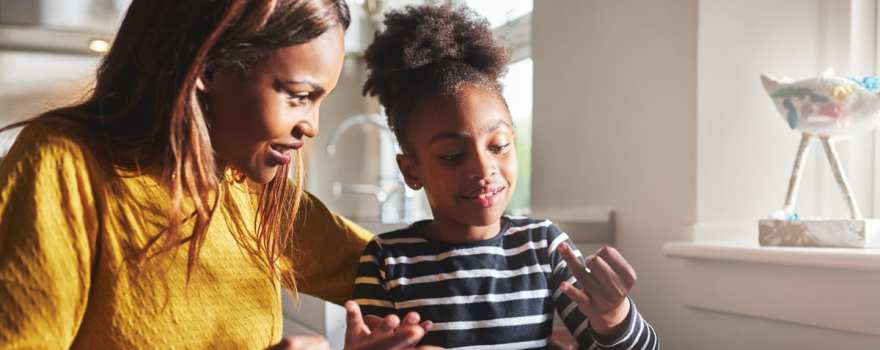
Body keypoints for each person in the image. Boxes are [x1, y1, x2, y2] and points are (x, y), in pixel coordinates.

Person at [0, 1, 435, 349]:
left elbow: (410, 276)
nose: (312, 126)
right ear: (208, 68)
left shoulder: (252, 190)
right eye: (299, 96)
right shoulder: (63, 164)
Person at [352, 5, 659, 349]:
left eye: (498, 145)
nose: (484, 170)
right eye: (453, 156)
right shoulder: (385, 259)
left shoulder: (543, 245)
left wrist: (613, 316)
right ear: (411, 171)